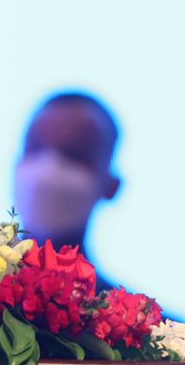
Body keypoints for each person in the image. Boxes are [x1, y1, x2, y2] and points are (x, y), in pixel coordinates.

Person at [13, 92, 121, 289]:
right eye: (36, 147)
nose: (49, 168)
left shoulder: (130, 309)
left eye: (74, 153)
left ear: (112, 187)